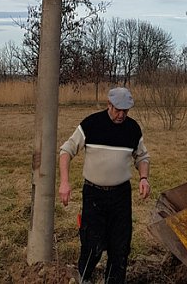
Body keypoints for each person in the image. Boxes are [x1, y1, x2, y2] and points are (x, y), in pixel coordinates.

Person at [58, 87, 151, 284]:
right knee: (93, 244)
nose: (121, 115)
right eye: (118, 110)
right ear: (109, 105)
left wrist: (143, 178)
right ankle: (84, 278)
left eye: (125, 111)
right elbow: (66, 150)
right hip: (94, 194)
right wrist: (64, 182)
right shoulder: (92, 124)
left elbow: (142, 156)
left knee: (120, 247)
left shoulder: (133, 129)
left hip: (120, 196)